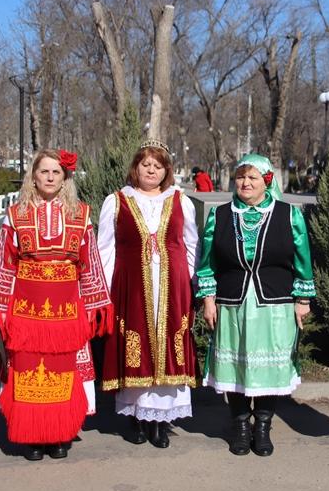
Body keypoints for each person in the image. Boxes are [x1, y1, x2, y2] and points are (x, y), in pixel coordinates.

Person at [0, 149, 112, 461]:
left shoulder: (80, 214)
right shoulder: (16, 214)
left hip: (67, 308)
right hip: (27, 308)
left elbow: (89, 263)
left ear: (65, 177)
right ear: (34, 176)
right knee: (28, 370)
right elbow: (4, 262)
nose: (50, 177)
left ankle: (61, 433)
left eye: (56, 172)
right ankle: (32, 436)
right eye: (44, 172)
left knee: (63, 369)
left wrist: (94, 304)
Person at [196, 153, 315, 457]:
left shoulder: (289, 214)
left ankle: (262, 426)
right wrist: (208, 299)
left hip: (274, 303)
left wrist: (302, 300)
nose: (245, 183)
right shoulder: (220, 215)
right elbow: (207, 263)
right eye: (240, 177)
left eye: (252, 178)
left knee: (269, 370)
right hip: (232, 302)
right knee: (235, 366)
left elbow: (302, 260)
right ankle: (240, 426)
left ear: (266, 181)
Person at [98, 139, 198, 448]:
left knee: (170, 346)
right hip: (131, 285)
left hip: (173, 285)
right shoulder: (116, 201)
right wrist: (105, 289)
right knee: (135, 346)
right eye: (145, 164)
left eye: (157, 165)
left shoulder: (181, 201)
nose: (151, 170)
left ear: (166, 170)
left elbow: (191, 244)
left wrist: (189, 280)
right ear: (136, 168)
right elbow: (105, 248)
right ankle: (137, 418)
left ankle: (162, 422)